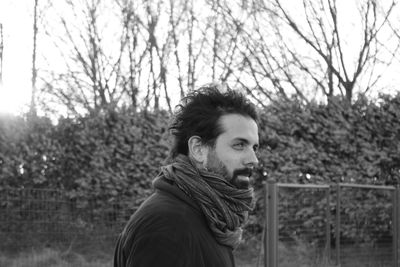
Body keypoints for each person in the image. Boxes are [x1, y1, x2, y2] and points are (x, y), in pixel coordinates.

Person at [113, 84, 260, 267]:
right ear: (198, 150)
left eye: (254, 148)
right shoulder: (168, 226)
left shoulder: (211, 216)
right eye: (239, 145)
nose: (253, 159)